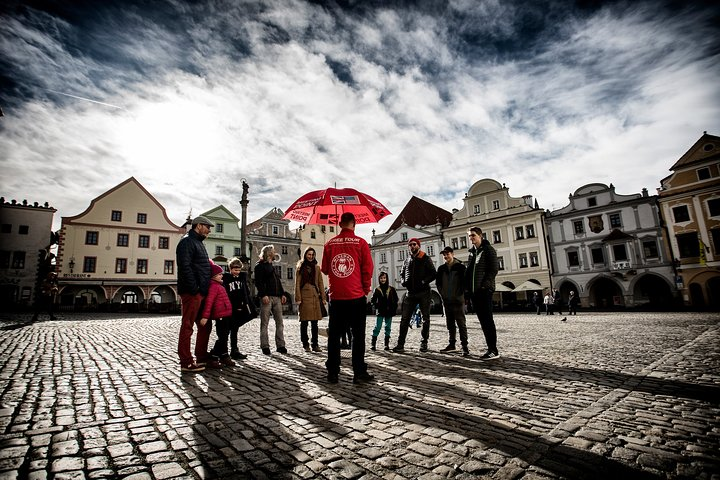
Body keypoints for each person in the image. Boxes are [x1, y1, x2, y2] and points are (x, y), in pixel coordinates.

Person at [321, 212, 374, 384]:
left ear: (339, 224)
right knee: (357, 335)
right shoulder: (361, 243)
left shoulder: (329, 244)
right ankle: (358, 372)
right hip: (356, 295)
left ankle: (333, 372)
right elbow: (367, 269)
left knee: (334, 336)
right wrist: (366, 289)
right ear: (354, 224)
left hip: (336, 297)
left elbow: (325, 269)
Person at [176, 215, 219, 372]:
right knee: (187, 326)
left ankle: (201, 356)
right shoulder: (187, 241)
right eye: (208, 227)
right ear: (199, 226)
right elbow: (185, 267)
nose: (209, 231)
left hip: (201, 291)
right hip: (192, 292)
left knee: (205, 325)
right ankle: (186, 362)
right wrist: (195, 289)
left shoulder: (198, 242)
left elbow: (202, 267)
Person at [392, 238, 436, 353]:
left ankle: (424, 342)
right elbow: (402, 273)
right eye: (410, 245)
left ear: (418, 246)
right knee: (404, 319)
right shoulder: (407, 260)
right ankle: (400, 344)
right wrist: (403, 281)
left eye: (414, 244)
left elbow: (433, 273)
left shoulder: (425, 258)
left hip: (424, 293)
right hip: (410, 293)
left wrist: (423, 282)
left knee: (425, 319)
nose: (412, 246)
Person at [465, 226, 500, 360]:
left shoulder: (488, 250)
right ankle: (490, 348)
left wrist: (485, 286)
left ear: (480, 236)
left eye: (473, 235)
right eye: (469, 236)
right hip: (475, 293)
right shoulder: (472, 253)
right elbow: (469, 273)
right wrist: (468, 290)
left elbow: (493, 269)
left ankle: (493, 350)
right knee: (483, 321)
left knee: (487, 321)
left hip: (484, 291)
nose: (471, 238)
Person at [254, 245, 288, 355]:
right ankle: (265, 346)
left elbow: (277, 281)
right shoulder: (259, 266)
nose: (275, 252)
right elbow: (258, 282)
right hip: (267, 297)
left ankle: (281, 345)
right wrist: (263, 295)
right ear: (269, 253)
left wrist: (282, 293)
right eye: (273, 251)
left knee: (280, 323)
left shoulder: (271, 265)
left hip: (277, 297)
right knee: (265, 323)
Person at [436, 247, 469, 356]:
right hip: (447, 300)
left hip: (458, 300)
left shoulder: (460, 267)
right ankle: (452, 345)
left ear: (452, 254)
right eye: (444, 255)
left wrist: (461, 295)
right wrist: (443, 294)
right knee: (450, 324)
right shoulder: (441, 269)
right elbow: (438, 284)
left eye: (447, 254)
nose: (446, 256)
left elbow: (465, 283)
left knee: (461, 324)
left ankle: (465, 346)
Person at [223, 257, 257, 360]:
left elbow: (245, 292)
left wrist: (247, 304)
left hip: (240, 307)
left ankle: (234, 350)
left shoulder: (242, 278)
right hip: (230, 309)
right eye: (235, 270)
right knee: (226, 331)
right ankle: (223, 351)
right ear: (230, 268)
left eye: (238, 270)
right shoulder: (226, 279)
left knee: (234, 330)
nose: (237, 272)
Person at [294, 247, 326, 352]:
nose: (311, 256)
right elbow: (297, 284)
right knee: (304, 322)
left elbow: (321, 283)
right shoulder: (300, 267)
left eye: (312, 254)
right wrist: (298, 298)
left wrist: (323, 297)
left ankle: (315, 344)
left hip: (314, 297)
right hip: (304, 296)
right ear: (305, 255)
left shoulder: (317, 268)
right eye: (309, 254)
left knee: (314, 323)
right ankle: (305, 344)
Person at [204, 261, 234, 367]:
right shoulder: (214, 287)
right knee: (222, 337)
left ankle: (224, 355)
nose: (222, 275)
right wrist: (205, 316)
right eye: (219, 274)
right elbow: (209, 302)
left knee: (225, 336)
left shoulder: (219, 285)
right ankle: (213, 356)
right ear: (213, 276)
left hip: (225, 315)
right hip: (220, 316)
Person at [370, 272, 398, 351]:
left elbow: (396, 299)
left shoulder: (391, 289)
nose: (383, 279)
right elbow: (373, 300)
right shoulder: (377, 289)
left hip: (389, 311)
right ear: (379, 279)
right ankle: (373, 344)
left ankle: (386, 345)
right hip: (380, 311)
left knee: (388, 327)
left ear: (387, 278)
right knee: (377, 327)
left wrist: (393, 308)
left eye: (384, 278)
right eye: (381, 278)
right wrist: (376, 306)